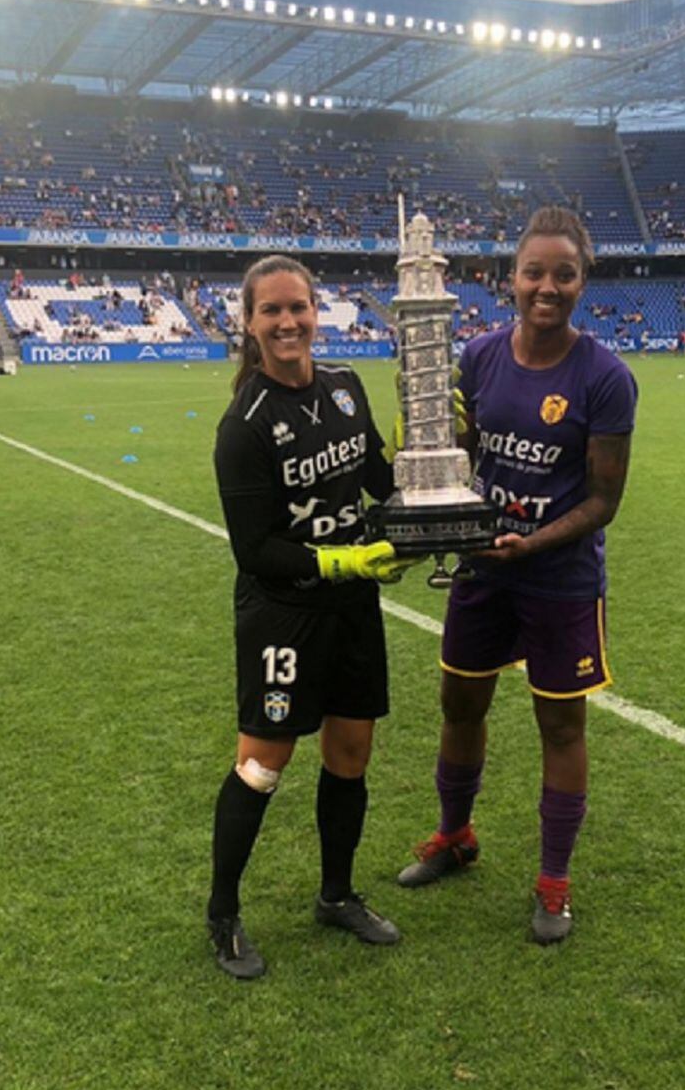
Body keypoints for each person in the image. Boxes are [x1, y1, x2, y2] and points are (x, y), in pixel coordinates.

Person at [396, 206, 638, 946]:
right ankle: (455, 835)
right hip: (482, 569)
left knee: (559, 723)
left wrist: (530, 545)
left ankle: (554, 883)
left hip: (557, 578)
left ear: (581, 282)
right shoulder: (475, 358)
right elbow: (454, 454)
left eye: (564, 274)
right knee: (459, 703)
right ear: (510, 278)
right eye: (534, 271)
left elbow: (604, 499)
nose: (547, 286)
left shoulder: (605, 377)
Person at [209, 254, 417, 980]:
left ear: (315, 312)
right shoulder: (244, 426)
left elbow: (380, 482)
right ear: (250, 323)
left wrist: (431, 465)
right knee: (262, 767)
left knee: (351, 755)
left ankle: (336, 895)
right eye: (272, 311)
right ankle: (223, 914)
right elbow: (256, 550)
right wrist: (340, 561)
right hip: (284, 616)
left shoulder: (345, 389)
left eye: (298, 307)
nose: (288, 321)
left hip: (352, 612)